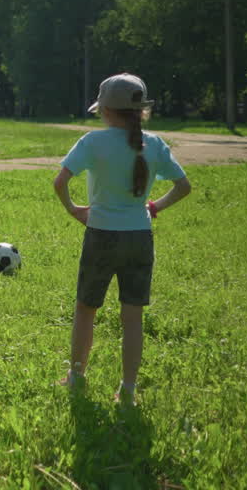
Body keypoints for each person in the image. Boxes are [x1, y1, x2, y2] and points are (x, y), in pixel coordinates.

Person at [53, 73, 191, 406]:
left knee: (86, 308)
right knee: (132, 316)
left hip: (101, 234)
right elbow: (183, 187)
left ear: (105, 110)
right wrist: (154, 206)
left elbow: (60, 183)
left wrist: (75, 210)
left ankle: (76, 375)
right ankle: (128, 389)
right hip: (139, 237)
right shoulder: (155, 143)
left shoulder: (91, 142)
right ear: (140, 110)